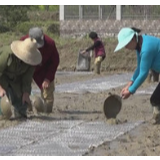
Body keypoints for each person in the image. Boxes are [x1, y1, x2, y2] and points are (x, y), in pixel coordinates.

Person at [114, 27, 160, 124]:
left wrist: (130, 91)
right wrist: (129, 84)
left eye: (126, 44)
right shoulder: (139, 45)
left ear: (133, 39)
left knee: (155, 99)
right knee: (155, 99)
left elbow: (143, 73)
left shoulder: (146, 48)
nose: (126, 48)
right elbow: (139, 68)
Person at [0, 37, 42, 120]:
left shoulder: (31, 62)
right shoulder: (7, 54)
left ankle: (20, 113)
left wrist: (26, 93)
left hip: (16, 80)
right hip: (2, 77)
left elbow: (27, 79)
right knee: (3, 104)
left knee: (22, 106)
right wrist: (0, 89)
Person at [21, 27, 60, 113]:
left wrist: (48, 78)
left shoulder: (50, 43)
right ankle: (27, 108)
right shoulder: (23, 41)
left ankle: (46, 109)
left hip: (43, 68)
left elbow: (55, 62)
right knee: (22, 89)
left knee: (47, 91)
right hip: (27, 68)